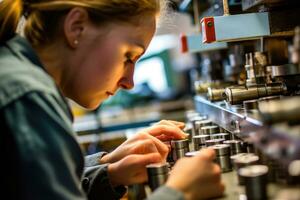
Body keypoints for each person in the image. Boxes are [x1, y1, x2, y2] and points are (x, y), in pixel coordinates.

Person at [0, 0, 224, 199]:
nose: (130, 82)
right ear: (76, 27)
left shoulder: (17, 73)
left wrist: (109, 170)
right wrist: (179, 192)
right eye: (128, 56)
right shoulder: (28, 98)